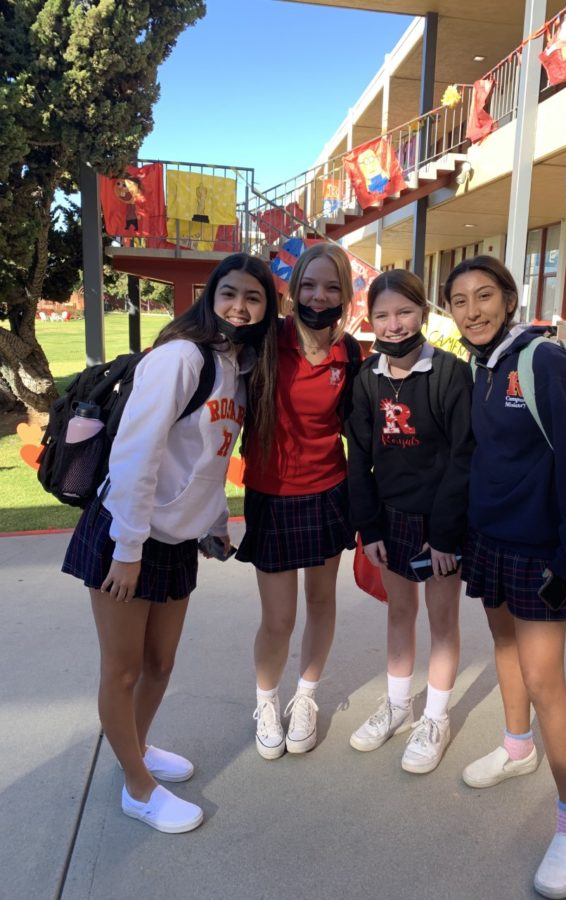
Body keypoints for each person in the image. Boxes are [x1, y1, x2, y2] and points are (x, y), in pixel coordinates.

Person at [62, 253, 278, 833]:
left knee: (161, 663)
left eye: (253, 298)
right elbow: (137, 453)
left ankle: (137, 747)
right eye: (229, 293)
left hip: (178, 540)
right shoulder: (182, 358)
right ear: (210, 296)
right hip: (124, 533)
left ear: (265, 309)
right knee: (124, 670)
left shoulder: (239, 368)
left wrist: (211, 523)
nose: (240, 305)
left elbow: (208, 461)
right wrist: (128, 550)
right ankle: (137, 787)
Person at [444, 256, 566, 899]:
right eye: (460, 301)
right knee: (506, 649)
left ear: (509, 298)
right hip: (492, 541)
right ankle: (517, 749)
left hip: (545, 550)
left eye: (485, 296)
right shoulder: (485, 368)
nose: (473, 310)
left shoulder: (544, 361)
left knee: (547, 682)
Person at [346, 270, 473, 774]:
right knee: (400, 615)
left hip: (442, 522)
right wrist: (369, 527)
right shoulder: (366, 378)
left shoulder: (448, 373)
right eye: (382, 315)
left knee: (443, 621)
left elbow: (464, 456)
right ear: (369, 319)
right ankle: (398, 706)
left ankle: (435, 717)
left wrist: (445, 533)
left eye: (404, 312)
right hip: (391, 519)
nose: (394, 324)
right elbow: (359, 457)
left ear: (423, 311)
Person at [237, 243, 361, 759]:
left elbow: (362, 428)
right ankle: (266, 701)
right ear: (292, 289)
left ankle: (306, 697)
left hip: (328, 491)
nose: (319, 295)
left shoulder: (350, 353)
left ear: (346, 295)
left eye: (332, 287)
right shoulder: (267, 341)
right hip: (270, 494)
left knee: (322, 601)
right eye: (310, 285)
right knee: (279, 618)